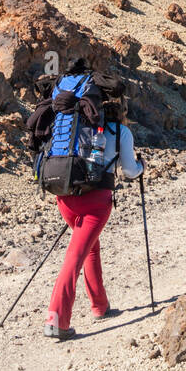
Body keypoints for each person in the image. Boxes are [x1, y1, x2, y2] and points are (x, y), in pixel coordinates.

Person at [44, 79, 143, 342]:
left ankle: (100, 305)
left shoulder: (76, 128)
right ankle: (56, 319)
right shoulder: (121, 131)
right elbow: (131, 172)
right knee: (75, 257)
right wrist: (142, 166)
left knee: (90, 247)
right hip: (97, 202)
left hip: (65, 197)